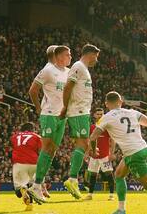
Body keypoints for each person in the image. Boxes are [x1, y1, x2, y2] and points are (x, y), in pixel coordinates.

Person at [27, 45, 71, 203]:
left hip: (62, 116)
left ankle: (37, 182)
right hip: (49, 114)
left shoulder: (67, 71)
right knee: (46, 148)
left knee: (52, 151)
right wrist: (39, 109)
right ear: (56, 55)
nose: (70, 57)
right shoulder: (47, 70)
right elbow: (33, 90)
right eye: (67, 54)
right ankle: (36, 185)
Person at [59, 43, 100, 199]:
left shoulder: (84, 69)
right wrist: (65, 107)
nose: (96, 59)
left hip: (82, 111)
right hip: (78, 111)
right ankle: (72, 179)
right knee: (82, 144)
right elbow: (68, 87)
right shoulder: (78, 66)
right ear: (90, 54)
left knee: (83, 144)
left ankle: (73, 179)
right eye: (96, 56)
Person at [85, 107, 116, 201]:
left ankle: (111, 195)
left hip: (105, 155)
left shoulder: (107, 127)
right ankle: (90, 194)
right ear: (94, 115)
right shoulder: (92, 127)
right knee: (93, 175)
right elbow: (89, 142)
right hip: (94, 156)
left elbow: (113, 140)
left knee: (109, 174)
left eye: (101, 114)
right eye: (98, 114)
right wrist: (87, 153)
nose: (99, 116)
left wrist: (112, 153)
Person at [12, 122, 42, 211]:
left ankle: (22, 189)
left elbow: (14, 147)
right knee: (30, 185)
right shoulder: (37, 136)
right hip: (33, 163)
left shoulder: (15, 136)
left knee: (18, 191)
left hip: (19, 163)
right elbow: (41, 151)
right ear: (32, 129)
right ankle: (30, 206)